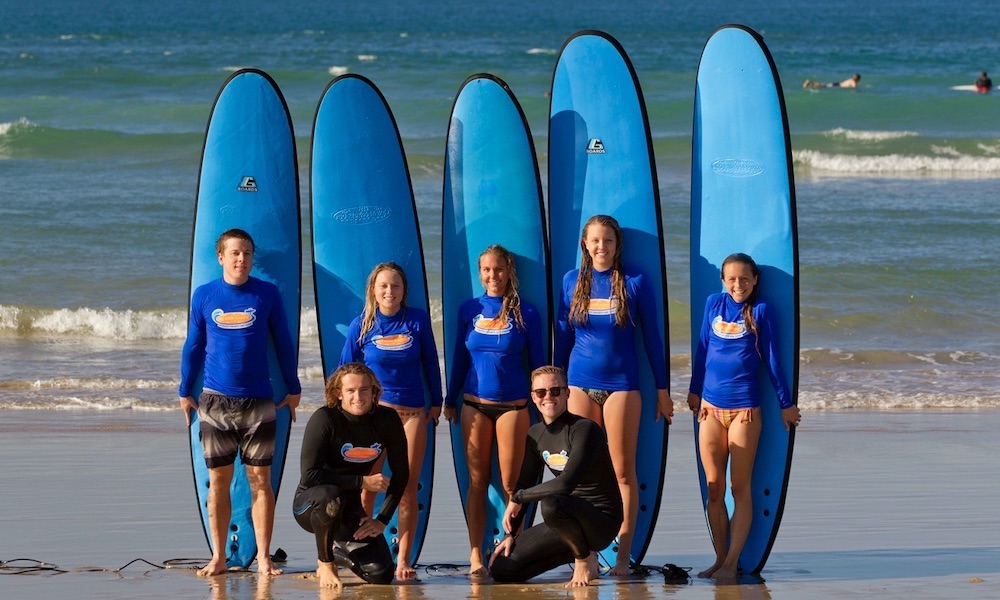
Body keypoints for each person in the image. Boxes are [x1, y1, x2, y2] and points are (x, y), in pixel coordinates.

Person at [178, 228, 302, 577]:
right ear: (221, 257)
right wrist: (184, 389)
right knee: (219, 482)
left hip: (259, 402)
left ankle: (263, 558)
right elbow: (193, 346)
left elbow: (283, 343)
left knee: (261, 481)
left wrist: (292, 388)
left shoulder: (267, 294)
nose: (241, 259)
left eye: (247, 252)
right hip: (215, 402)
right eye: (234, 252)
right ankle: (218, 557)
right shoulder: (205, 295)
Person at [554, 214, 672, 576]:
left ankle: (622, 556)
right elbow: (563, 337)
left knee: (622, 472)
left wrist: (663, 391)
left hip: (622, 386)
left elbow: (652, 339)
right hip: (578, 384)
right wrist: (556, 386)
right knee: (578, 472)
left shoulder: (635, 282)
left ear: (617, 245)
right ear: (585, 246)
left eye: (608, 241)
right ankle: (584, 556)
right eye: (595, 241)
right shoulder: (571, 281)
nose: (601, 247)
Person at [686, 253, 801, 580]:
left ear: (755, 281)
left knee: (740, 488)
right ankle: (720, 558)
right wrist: (694, 390)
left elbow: (774, 360)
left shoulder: (762, 311)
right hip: (709, 407)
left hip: (745, 412)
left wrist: (785, 403)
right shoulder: (713, 304)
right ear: (723, 280)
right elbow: (703, 349)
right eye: (732, 279)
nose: (739, 284)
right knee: (714, 488)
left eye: (745, 279)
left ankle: (732, 561)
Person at [443, 244, 546, 575]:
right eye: (486, 270)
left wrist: (546, 406)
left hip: (514, 407)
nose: (493, 275)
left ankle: (512, 545)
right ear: (480, 273)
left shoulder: (525, 312)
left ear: (509, 271)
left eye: (499, 269)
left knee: (512, 483)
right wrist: (449, 397)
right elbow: (460, 359)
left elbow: (540, 363)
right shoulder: (468, 309)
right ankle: (476, 553)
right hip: (474, 405)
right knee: (477, 480)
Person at [339, 261, 443, 580]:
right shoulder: (362, 324)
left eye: (395, 285)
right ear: (374, 290)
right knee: (368, 486)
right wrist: (342, 412)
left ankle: (403, 559)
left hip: (412, 413)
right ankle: (362, 549)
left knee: (406, 487)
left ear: (403, 291)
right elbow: (345, 369)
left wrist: (437, 402)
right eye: (383, 286)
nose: (389, 291)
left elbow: (430, 363)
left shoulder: (417, 320)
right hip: (374, 417)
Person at [489, 366, 623, 587]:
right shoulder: (535, 434)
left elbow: (566, 483)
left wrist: (518, 497)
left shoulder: (585, 430)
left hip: (600, 520)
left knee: (550, 504)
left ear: (567, 393)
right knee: (502, 568)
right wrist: (510, 535)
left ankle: (583, 558)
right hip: (566, 521)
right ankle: (580, 554)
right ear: (533, 397)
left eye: (555, 391)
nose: (548, 397)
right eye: (541, 392)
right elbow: (525, 481)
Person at [293, 362, 409, 589]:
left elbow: (402, 472)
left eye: (365, 390)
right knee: (330, 494)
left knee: (381, 574)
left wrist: (382, 519)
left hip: (348, 508)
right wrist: (362, 481)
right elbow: (310, 476)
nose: (358, 396)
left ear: (374, 392)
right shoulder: (324, 419)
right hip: (310, 506)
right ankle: (325, 562)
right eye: (351, 391)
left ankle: (339, 553)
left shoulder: (387, 420)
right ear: (338, 394)